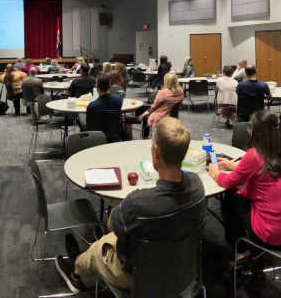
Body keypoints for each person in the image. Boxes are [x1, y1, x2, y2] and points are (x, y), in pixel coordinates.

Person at [55, 118, 205, 293]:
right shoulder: (198, 186)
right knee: (114, 240)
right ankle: (82, 277)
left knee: (99, 247)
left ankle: (76, 271)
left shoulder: (137, 203)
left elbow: (111, 225)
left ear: (156, 152)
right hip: (183, 271)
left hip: (141, 277)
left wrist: (126, 206)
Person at [209, 110, 281, 264]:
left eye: (250, 128)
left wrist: (215, 173)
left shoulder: (254, 154)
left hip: (273, 236)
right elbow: (265, 171)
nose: (248, 131)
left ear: (256, 133)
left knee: (231, 196)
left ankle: (240, 250)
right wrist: (235, 165)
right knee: (240, 195)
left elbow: (228, 182)